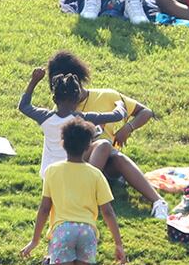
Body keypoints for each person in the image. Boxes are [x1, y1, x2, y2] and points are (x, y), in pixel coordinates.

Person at [20, 119, 126, 265]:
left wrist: (35, 240)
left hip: (62, 231)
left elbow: (45, 208)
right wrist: (118, 244)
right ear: (89, 146)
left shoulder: (53, 171)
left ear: (63, 143)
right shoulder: (96, 174)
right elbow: (107, 211)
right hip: (88, 232)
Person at [45, 50, 167, 216]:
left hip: (107, 162)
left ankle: (158, 202)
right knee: (104, 144)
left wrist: (127, 128)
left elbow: (145, 112)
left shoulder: (107, 96)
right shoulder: (61, 109)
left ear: (78, 81)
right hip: (76, 162)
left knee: (114, 155)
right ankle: (82, 194)